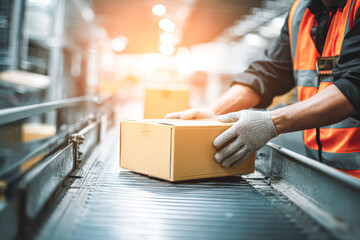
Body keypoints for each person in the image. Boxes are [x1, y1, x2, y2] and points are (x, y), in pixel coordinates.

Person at [166, 0, 360, 179]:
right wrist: (215, 112)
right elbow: (269, 72)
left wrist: (270, 123)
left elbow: (354, 86)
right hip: (326, 176)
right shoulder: (301, 12)